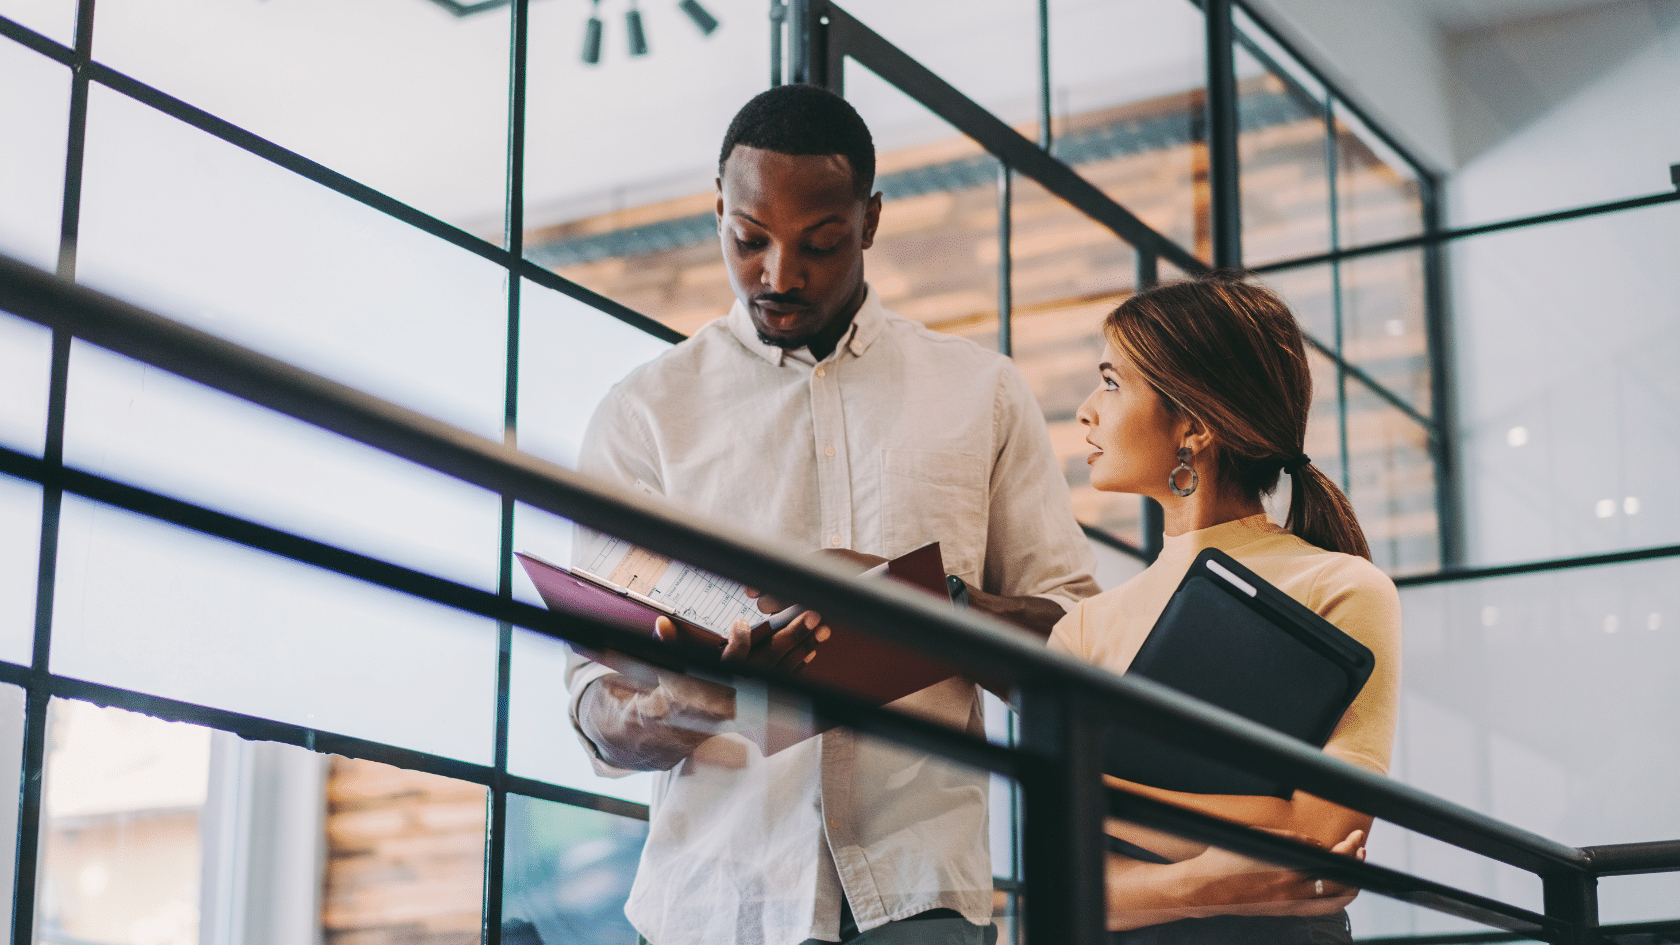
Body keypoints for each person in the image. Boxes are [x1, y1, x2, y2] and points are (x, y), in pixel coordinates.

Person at [564, 84, 1100, 945]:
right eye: (748, 240)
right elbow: (596, 708)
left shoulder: (980, 394)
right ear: (717, 214)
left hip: (919, 896)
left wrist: (942, 609)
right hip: (715, 904)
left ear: (871, 221)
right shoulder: (643, 415)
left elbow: (1078, 646)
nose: (778, 274)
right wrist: (693, 701)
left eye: (819, 243)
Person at [1049, 273, 1400, 943]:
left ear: (1197, 426)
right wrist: (1217, 874)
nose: (1086, 412)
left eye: (1112, 382)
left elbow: (1324, 836)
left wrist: (1102, 796)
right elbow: (1070, 887)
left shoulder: (1342, 587)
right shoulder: (1082, 628)